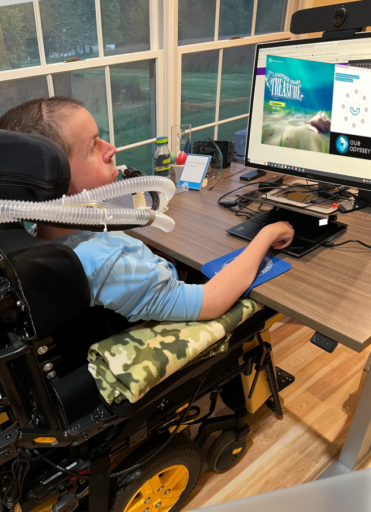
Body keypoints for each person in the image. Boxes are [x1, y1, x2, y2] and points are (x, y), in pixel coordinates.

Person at [0, 97, 294, 323]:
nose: (110, 148)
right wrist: (267, 233)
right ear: (53, 176)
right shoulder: (104, 263)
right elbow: (212, 301)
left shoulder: (42, 235)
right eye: (92, 146)